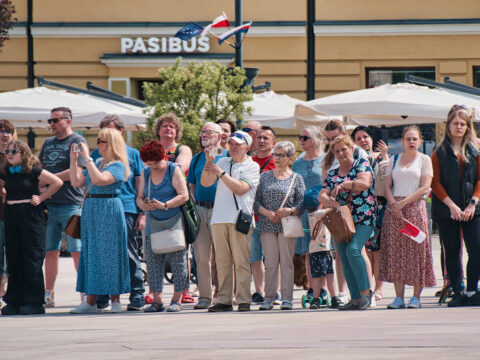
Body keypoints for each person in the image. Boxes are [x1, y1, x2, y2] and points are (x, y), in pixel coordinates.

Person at [69, 128, 131, 313]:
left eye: (100, 140)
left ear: (110, 144)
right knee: (91, 253)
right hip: (92, 209)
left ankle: (116, 300)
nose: (97, 144)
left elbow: (100, 180)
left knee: (111, 253)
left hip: (108, 208)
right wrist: (74, 160)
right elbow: (76, 182)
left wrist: (86, 158)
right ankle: (91, 301)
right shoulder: (98, 162)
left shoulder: (117, 165)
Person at [0, 140, 63, 315]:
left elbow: (57, 182)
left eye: (14, 151)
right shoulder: (6, 172)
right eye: (8, 151)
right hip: (12, 213)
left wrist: (41, 198)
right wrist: (3, 192)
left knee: (32, 257)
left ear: (23, 153)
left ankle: (33, 300)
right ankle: (14, 300)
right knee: (14, 257)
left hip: (30, 214)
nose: (10, 153)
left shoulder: (33, 170)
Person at [90, 115, 146, 311]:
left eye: (110, 131)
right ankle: (104, 295)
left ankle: (137, 293)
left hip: (127, 206)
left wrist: (142, 212)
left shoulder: (132, 153)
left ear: (121, 132)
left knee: (128, 251)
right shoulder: (97, 155)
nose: (105, 136)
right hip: (102, 208)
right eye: (102, 132)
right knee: (104, 252)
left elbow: (141, 183)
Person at [201, 130, 260, 312]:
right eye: (231, 144)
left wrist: (221, 173)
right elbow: (205, 182)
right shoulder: (222, 161)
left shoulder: (252, 166)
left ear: (247, 147)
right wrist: (209, 161)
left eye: (238, 144)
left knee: (241, 261)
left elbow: (241, 188)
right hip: (219, 218)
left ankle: (243, 299)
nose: (233, 147)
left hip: (239, 218)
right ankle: (224, 300)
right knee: (222, 262)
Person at [379, 126, 436, 309]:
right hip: (394, 210)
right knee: (397, 253)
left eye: (414, 139)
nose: (411, 142)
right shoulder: (393, 159)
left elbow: (425, 187)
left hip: (414, 208)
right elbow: (387, 186)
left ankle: (416, 297)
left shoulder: (424, 160)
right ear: (402, 142)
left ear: (420, 141)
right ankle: (398, 297)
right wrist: (393, 204)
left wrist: (402, 204)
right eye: (408, 139)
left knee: (417, 252)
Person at [319, 135, 376, 310]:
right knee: (343, 255)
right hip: (342, 221)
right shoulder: (333, 173)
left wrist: (344, 185)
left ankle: (366, 293)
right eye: (337, 151)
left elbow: (364, 183)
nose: (341, 153)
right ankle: (355, 298)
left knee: (353, 250)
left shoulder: (361, 164)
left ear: (351, 149)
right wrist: (334, 204)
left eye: (344, 149)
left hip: (363, 217)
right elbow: (322, 195)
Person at [431, 105, 480, 307]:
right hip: (447, 208)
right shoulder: (439, 152)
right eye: (455, 124)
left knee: (476, 249)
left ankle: (471, 290)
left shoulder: (474, 151)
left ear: (468, 127)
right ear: (448, 127)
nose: (459, 127)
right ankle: (457, 291)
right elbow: (435, 182)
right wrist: (451, 206)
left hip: (471, 208)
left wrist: (472, 204)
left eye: (463, 124)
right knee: (452, 250)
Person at [39, 107, 87, 307]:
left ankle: (85, 293)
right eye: (49, 120)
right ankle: (48, 294)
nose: (51, 124)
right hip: (50, 204)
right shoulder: (47, 143)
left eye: (55, 120)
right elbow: (39, 167)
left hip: (71, 204)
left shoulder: (77, 141)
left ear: (68, 121)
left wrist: (51, 180)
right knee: (50, 251)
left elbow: (80, 169)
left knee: (76, 250)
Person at [137, 140, 189, 313]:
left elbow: (184, 195)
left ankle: (177, 299)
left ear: (162, 158)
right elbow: (139, 197)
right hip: (153, 223)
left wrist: (165, 205)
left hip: (173, 221)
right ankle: (157, 300)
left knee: (178, 262)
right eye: (149, 164)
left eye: (155, 163)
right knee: (152, 262)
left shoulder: (173, 169)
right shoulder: (146, 172)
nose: (153, 167)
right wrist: (144, 205)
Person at [254, 141, 305, 310]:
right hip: (267, 225)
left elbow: (302, 203)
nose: (276, 158)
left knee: (287, 262)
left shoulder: (297, 178)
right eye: (275, 154)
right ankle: (268, 298)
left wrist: (289, 211)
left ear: (290, 158)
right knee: (270, 262)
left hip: (287, 225)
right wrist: (267, 213)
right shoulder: (265, 177)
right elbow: (255, 201)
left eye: (281, 155)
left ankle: (287, 298)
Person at [187, 122, 228, 309]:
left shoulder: (227, 156)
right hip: (201, 209)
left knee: (223, 255)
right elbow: (192, 184)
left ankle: (224, 294)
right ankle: (205, 296)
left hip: (222, 210)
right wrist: (195, 203)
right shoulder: (196, 158)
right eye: (202, 131)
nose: (204, 134)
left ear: (220, 137)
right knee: (202, 256)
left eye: (209, 132)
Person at [154, 112, 193, 304]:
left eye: (172, 126)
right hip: (154, 203)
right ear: (158, 130)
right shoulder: (152, 148)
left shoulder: (182, 148)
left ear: (177, 131)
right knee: (156, 249)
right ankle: (156, 291)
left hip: (179, 202)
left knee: (180, 248)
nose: (168, 129)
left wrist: (156, 166)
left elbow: (181, 166)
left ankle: (184, 289)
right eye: (164, 126)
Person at [351, 125, 388, 302]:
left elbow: (389, 179)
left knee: (378, 250)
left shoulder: (382, 158)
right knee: (364, 249)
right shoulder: (355, 160)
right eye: (358, 139)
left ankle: (379, 288)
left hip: (379, 206)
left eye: (365, 137)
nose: (363, 141)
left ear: (371, 139)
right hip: (361, 207)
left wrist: (385, 156)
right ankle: (367, 287)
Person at [292, 126, 328, 301]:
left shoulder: (326, 160)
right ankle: (313, 287)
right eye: (301, 137)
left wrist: (320, 207)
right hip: (303, 211)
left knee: (323, 250)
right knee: (307, 251)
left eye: (305, 137)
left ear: (315, 140)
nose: (302, 140)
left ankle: (325, 288)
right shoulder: (297, 162)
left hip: (321, 210)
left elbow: (328, 185)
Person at [250, 126, 278, 305]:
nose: (261, 141)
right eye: (259, 137)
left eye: (265, 138)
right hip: (252, 216)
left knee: (273, 257)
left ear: (273, 143)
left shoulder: (278, 162)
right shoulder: (248, 162)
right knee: (254, 257)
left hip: (271, 216)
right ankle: (259, 291)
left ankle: (273, 291)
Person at [0, 120, 16, 303]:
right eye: (1, 131)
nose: (4, 134)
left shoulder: (18, 153)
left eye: (8, 131)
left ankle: (11, 292)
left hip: (14, 210)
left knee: (13, 254)